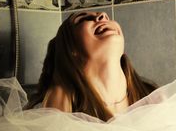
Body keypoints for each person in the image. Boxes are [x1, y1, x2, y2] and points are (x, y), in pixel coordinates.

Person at [25, 11, 157, 121]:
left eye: (107, 17)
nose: (103, 15)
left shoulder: (153, 96)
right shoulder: (62, 100)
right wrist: (59, 95)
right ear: (71, 48)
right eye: (84, 19)